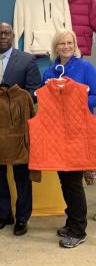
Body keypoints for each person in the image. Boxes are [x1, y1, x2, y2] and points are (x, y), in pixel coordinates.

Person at [0, 22, 41, 236]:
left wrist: (10, 96)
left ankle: (22, 218)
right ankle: (4, 216)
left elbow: (34, 92)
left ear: (13, 36)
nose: (3, 36)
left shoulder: (27, 60)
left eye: (7, 33)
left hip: (18, 128)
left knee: (21, 175)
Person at [42, 29, 96, 248]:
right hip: (56, 134)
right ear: (56, 47)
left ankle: (78, 230)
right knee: (64, 180)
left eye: (69, 42)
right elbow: (44, 100)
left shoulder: (85, 67)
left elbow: (95, 95)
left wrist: (78, 101)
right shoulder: (49, 72)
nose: (66, 46)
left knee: (73, 182)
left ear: (75, 44)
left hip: (78, 132)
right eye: (61, 43)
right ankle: (71, 219)